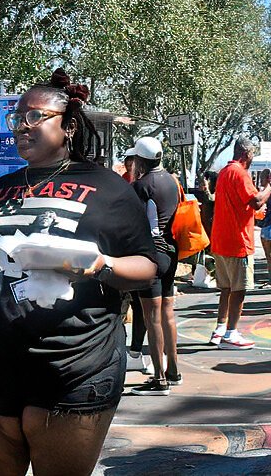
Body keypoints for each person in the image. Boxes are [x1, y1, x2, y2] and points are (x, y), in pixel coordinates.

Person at [0, 68, 155, 475]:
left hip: (71, 369)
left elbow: (147, 267)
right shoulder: (1, 188)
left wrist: (97, 264)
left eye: (34, 117)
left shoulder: (108, 188)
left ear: (68, 126)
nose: (21, 126)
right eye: (17, 118)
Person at [123, 137, 182, 395]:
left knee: (151, 316)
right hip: (171, 250)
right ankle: (174, 371)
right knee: (167, 312)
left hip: (151, 253)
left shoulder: (140, 186)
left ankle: (159, 380)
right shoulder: (171, 180)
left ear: (139, 160)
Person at [209, 137, 271, 350]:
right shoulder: (239, 173)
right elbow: (256, 201)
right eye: (253, 154)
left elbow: (243, 205)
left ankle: (220, 329)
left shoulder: (225, 173)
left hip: (221, 239)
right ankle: (231, 333)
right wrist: (269, 186)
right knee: (239, 289)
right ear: (247, 154)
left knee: (226, 288)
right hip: (237, 241)